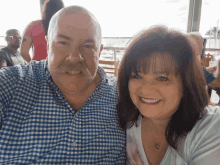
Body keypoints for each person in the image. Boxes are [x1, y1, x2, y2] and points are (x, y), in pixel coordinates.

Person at [0, 6, 125, 164]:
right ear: (47, 45)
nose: (74, 57)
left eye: (87, 46)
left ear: (99, 52)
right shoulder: (11, 85)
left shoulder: (123, 96)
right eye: (63, 42)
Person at [117, 26, 220, 164]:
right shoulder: (126, 124)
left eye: (162, 78)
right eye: (136, 76)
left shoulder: (209, 128)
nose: (146, 89)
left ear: (186, 83)